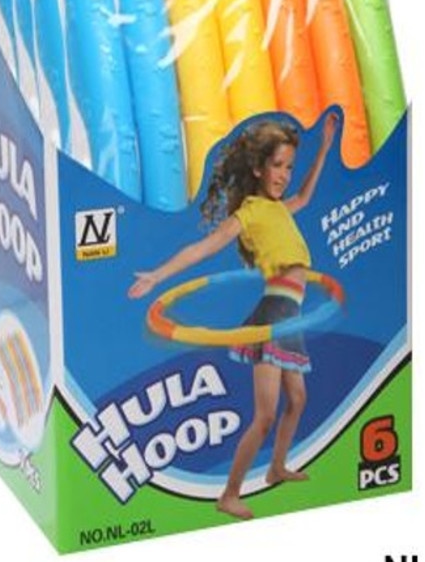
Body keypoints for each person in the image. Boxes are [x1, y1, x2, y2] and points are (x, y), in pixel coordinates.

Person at [129, 112, 338, 519]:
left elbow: (304, 198)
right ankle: (229, 494)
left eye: (289, 167)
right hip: (273, 316)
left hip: (289, 314)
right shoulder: (250, 213)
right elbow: (202, 248)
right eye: (277, 166)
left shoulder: (280, 208)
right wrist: (157, 276)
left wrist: (325, 148)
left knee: (298, 399)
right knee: (265, 415)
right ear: (258, 168)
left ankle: (276, 468)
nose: (284, 175)